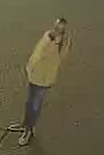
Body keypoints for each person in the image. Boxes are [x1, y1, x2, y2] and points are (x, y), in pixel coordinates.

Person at [6, 18, 70, 146]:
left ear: (64, 31)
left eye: (60, 29)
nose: (56, 30)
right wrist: (30, 67)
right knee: (30, 101)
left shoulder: (61, 43)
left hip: (44, 79)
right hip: (34, 74)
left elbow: (58, 58)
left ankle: (28, 130)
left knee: (35, 105)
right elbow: (37, 52)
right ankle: (24, 124)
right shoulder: (47, 35)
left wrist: (56, 43)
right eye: (56, 26)